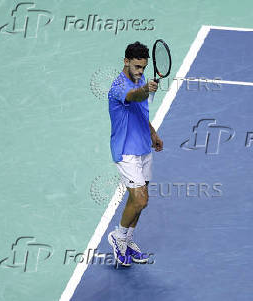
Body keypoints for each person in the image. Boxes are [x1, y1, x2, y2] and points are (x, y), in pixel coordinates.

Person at [107, 41, 163, 266]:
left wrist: (153, 134)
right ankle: (118, 237)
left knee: (142, 201)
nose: (140, 71)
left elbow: (141, 113)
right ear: (126, 61)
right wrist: (146, 90)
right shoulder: (119, 86)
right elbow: (134, 97)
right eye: (137, 66)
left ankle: (128, 241)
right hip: (125, 151)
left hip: (143, 147)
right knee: (139, 199)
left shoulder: (139, 80)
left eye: (143, 67)